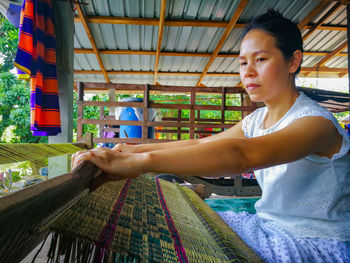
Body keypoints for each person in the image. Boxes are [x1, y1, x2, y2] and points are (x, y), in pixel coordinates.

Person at [72, 9, 350, 263]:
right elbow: (201, 143)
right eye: (242, 63)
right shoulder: (257, 120)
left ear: (293, 62)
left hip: (313, 245)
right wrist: (128, 151)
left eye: (261, 59)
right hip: (269, 228)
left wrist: (140, 164)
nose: (248, 72)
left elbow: (243, 156)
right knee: (176, 225)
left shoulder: (316, 124)